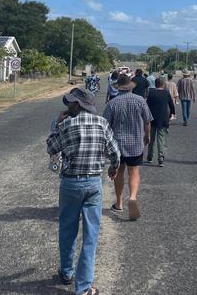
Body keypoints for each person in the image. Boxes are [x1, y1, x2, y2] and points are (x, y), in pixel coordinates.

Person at [47, 88, 120, 295]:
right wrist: (114, 167)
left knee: (67, 230)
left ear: (78, 105)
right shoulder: (102, 123)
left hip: (70, 183)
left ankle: (67, 272)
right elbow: (115, 152)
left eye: (70, 102)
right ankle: (84, 287)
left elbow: (51, 148)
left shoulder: (67, 124)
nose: (67, 106)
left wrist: (57, 125)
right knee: (91, 235)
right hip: (93, 182)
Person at [103, 74, 153, 221]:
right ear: (131, 87)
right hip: (136, 143)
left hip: (117, 145)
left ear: (119, 87)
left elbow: (105, 125)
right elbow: (147, 121)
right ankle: (132, 197)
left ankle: (119, 203)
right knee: (134, 172)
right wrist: (147, 135)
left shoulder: (112, 103)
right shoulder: (140, 101)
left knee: (119, 172)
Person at [146, 78, 175, 167]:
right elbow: (171, 105)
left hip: (152, 119)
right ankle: (160, 158)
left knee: (151, 139)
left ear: (155, 84)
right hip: (163, 119)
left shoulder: (151, 93)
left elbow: (146, 105)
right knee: (161, 139)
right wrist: (172, 113)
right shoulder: (166, 93)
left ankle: (150, 156)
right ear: (162, 84)